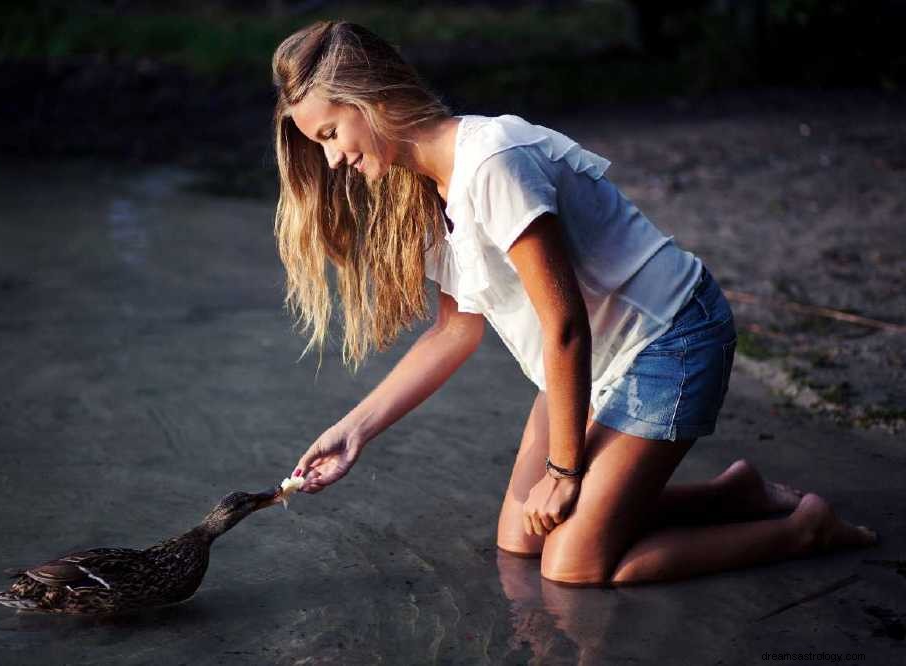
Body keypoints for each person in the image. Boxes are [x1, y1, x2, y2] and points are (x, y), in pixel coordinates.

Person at [270, 20, 877, 585]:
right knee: (519, 541)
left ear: (371, 97)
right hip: (598, 359)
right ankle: (730, 497)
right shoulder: (424, 192)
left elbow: (564, 326)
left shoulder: (492, 162)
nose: (333, 159)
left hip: (668, 339)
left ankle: (802, 531)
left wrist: (564, 473)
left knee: (573, 565)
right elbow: (454, 333)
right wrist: (353, 432)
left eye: (330, 134)